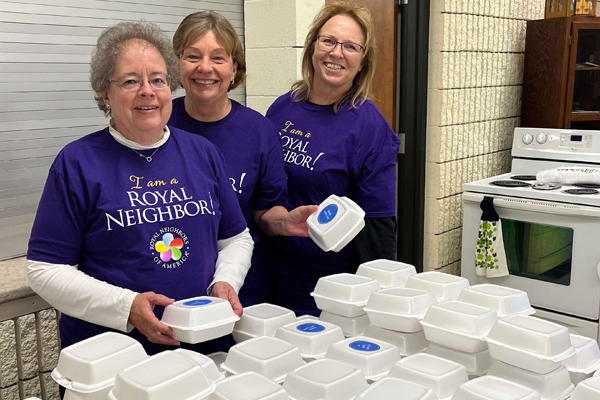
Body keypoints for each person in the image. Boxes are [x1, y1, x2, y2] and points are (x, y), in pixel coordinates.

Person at [26, 21, 253, 359]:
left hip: (202, 348)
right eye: (131, 81)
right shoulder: (77, 163)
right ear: (105, 93)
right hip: (112, 358)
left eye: (158, 80)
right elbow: (45, 270)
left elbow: (236, 239)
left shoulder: (203, 153)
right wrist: (126, 306)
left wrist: (225, 283)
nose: (148, 91)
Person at [168, 11, 318, 307]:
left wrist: (285, 222)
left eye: (219, 58)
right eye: (193, 56)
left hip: (240, 294)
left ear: (235, 69)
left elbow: (265, 211)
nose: (205, 68)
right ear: (176, 64)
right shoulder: (157, 124)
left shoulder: (259, 131)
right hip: (171, 291)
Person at [265, 2, 400, 315]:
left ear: (363, 61)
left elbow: (378, 228)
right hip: (270, 275)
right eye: (328, 41)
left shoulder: (369, 127)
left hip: (330, 290)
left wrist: (378, 305)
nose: (336, 53)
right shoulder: (282, 108)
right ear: (313, 46)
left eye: (351, 46)